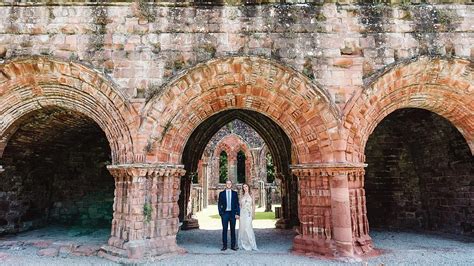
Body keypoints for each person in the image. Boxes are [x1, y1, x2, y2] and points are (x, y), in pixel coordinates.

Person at [218, 179, 240, 251]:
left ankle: (233, 246)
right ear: (225, 184)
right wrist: (221, 213)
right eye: (227, 183)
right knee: (224, 230)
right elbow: (219, 204)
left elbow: (237, 204)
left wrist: (237, 213)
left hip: (232, 213)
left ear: (231, 185)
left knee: (233, 230)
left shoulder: (235, 193)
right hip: (225, 213)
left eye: (230, 183)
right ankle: (224, 246)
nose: (228, 185)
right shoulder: (221, 193)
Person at [238, 183, 258, 251]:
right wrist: (239, 214)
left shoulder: (251, 195)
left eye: (246, 186)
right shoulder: (241, 195)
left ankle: (251, 244)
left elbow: (254, 205)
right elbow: (240, 206)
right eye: (244, 187)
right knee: (242, 229)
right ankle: (243, 244)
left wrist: (253, 214)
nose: (245, 188)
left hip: (249, 213)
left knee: (248, 228)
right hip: (242, 214)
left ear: (248, 187)